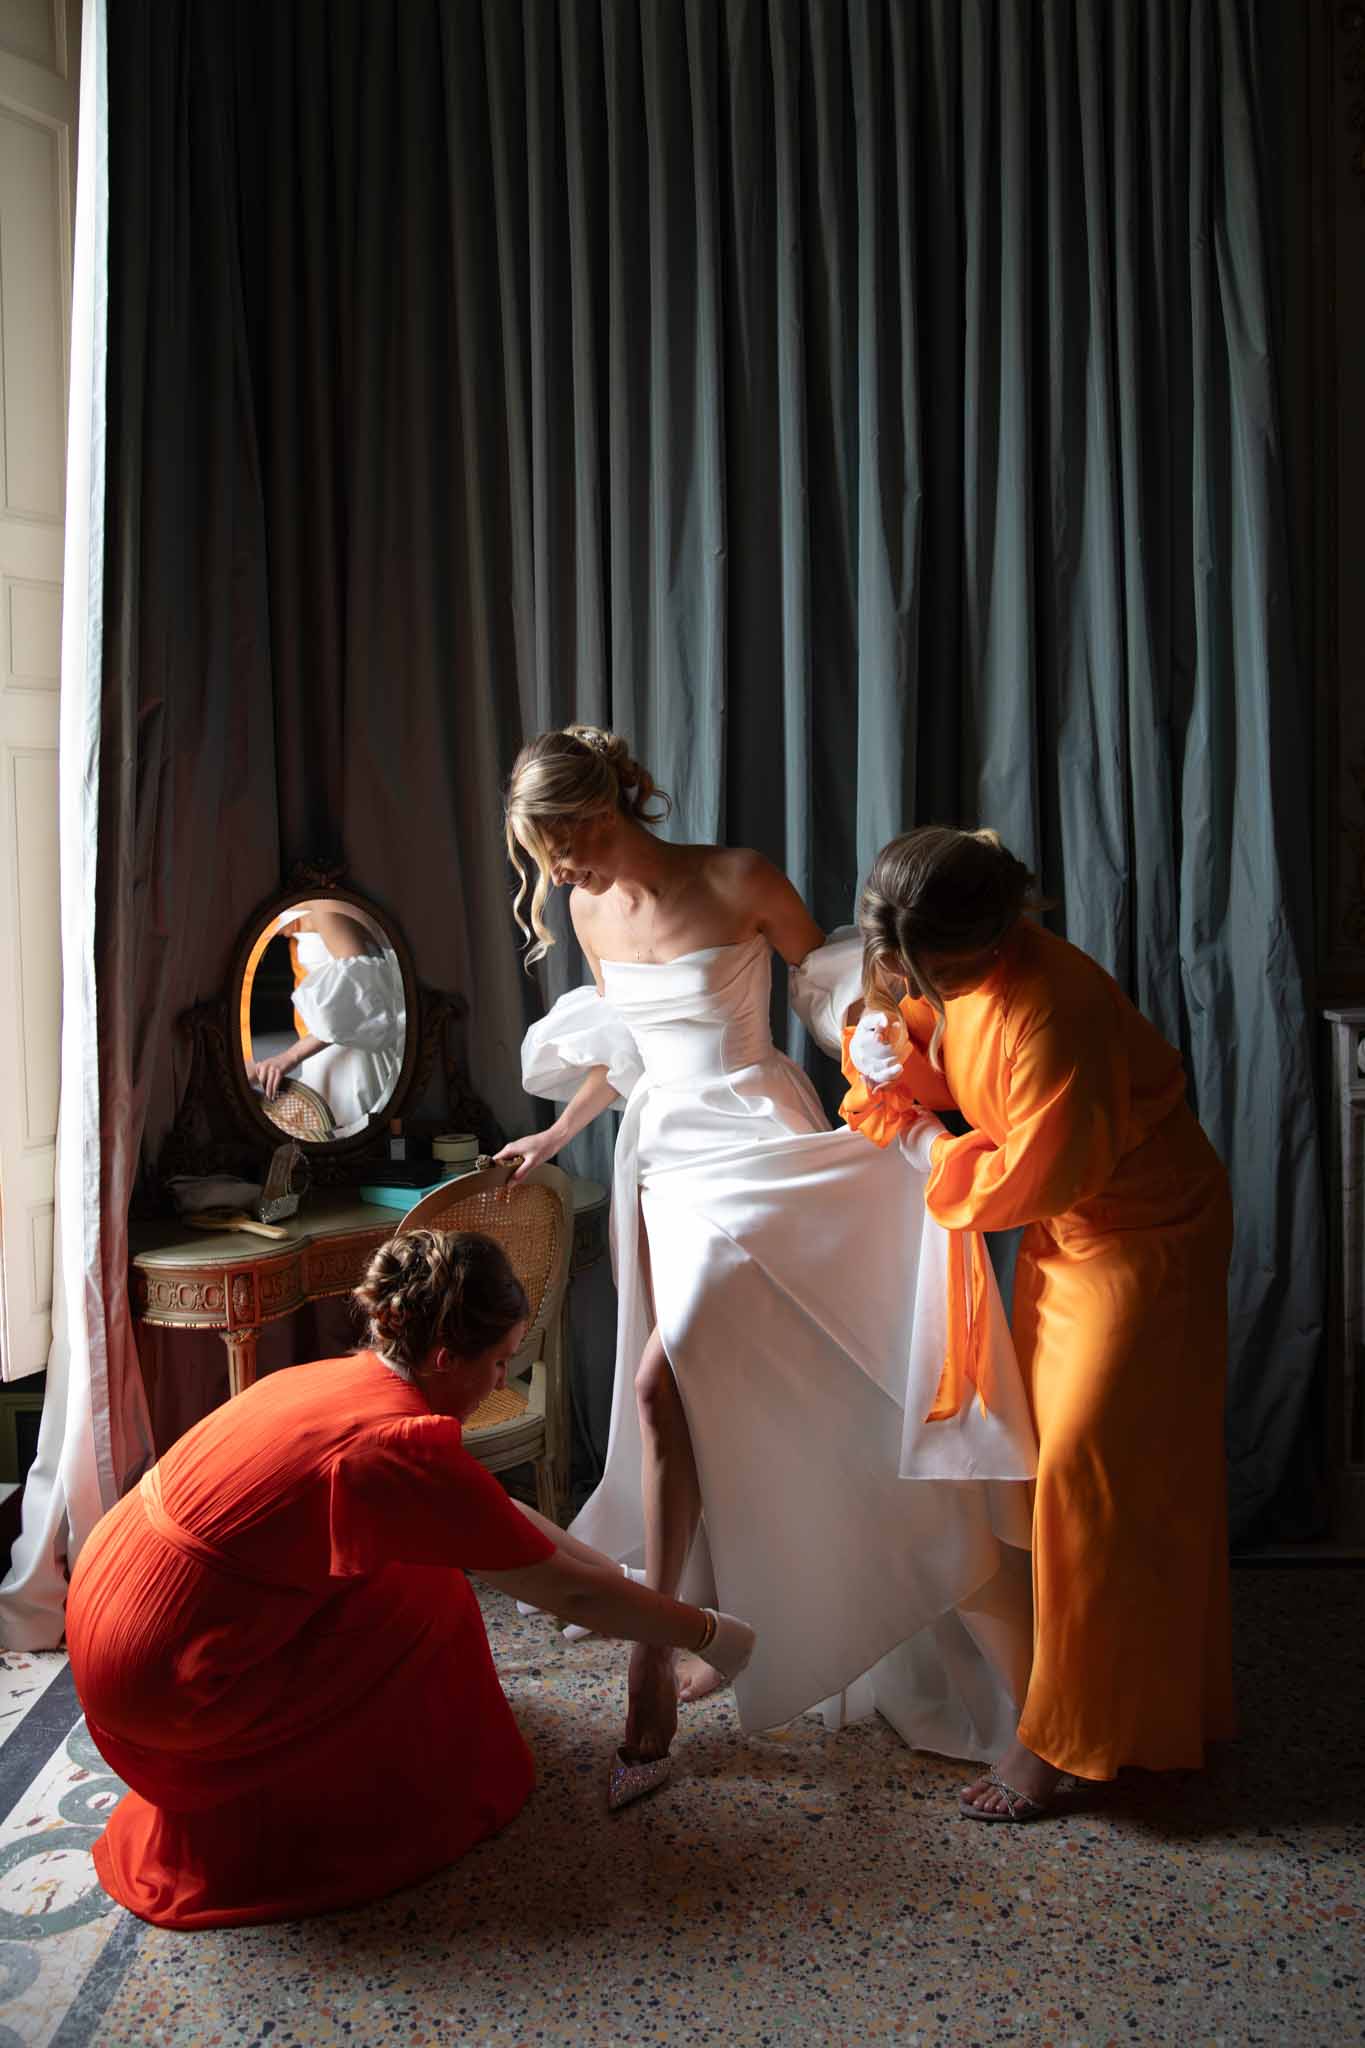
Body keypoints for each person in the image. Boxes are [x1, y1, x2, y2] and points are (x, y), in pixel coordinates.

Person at [496, 725, 1038, 1804]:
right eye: (545, 850)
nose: (561, 868)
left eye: (571, 838)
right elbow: (627, 1045)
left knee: (683, 1385)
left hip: (758, 1148)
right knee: (706, 1404)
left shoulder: (736, 875)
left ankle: (665, 1651)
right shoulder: (587, 905)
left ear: (615, 805)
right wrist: (559, 1136)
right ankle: (721, 1625)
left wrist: (870, 1040)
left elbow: (827, 983)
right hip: (668, 1165)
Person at [65, 1229, 755, 1928]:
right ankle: (406, 1806)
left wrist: (616, 1576)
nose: (499, 1384)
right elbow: (560, 1589)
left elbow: (491, 1514)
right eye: (498, 1363)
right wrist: (713, 1634)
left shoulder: (337, 1378)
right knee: (428, 1595)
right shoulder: (393, 1449)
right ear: (447, 1356)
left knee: (417, 1563)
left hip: (109, 1621)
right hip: (166, 1689)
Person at [845, 826, 1235, 1821]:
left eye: (939, 972)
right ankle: (1145, 1711)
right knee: (1077, 1471)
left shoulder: (1055, 1009)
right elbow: (950, 1055)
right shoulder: (955, 976)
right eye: (912, 974)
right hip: (1074, 1234)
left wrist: (926, 1134)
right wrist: (894, 1053)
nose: (925, 989)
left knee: (1089, 1474)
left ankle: (1053, 1737)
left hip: (1145, 1235)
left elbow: (1017, 1178)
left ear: (989, 936)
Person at [249, 902, 405, 1137]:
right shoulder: (290, 925)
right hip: (322, 1053)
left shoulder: (324, 910)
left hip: (353, 1053)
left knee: (354, 1140)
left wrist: (288, 1057)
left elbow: (359, 996)